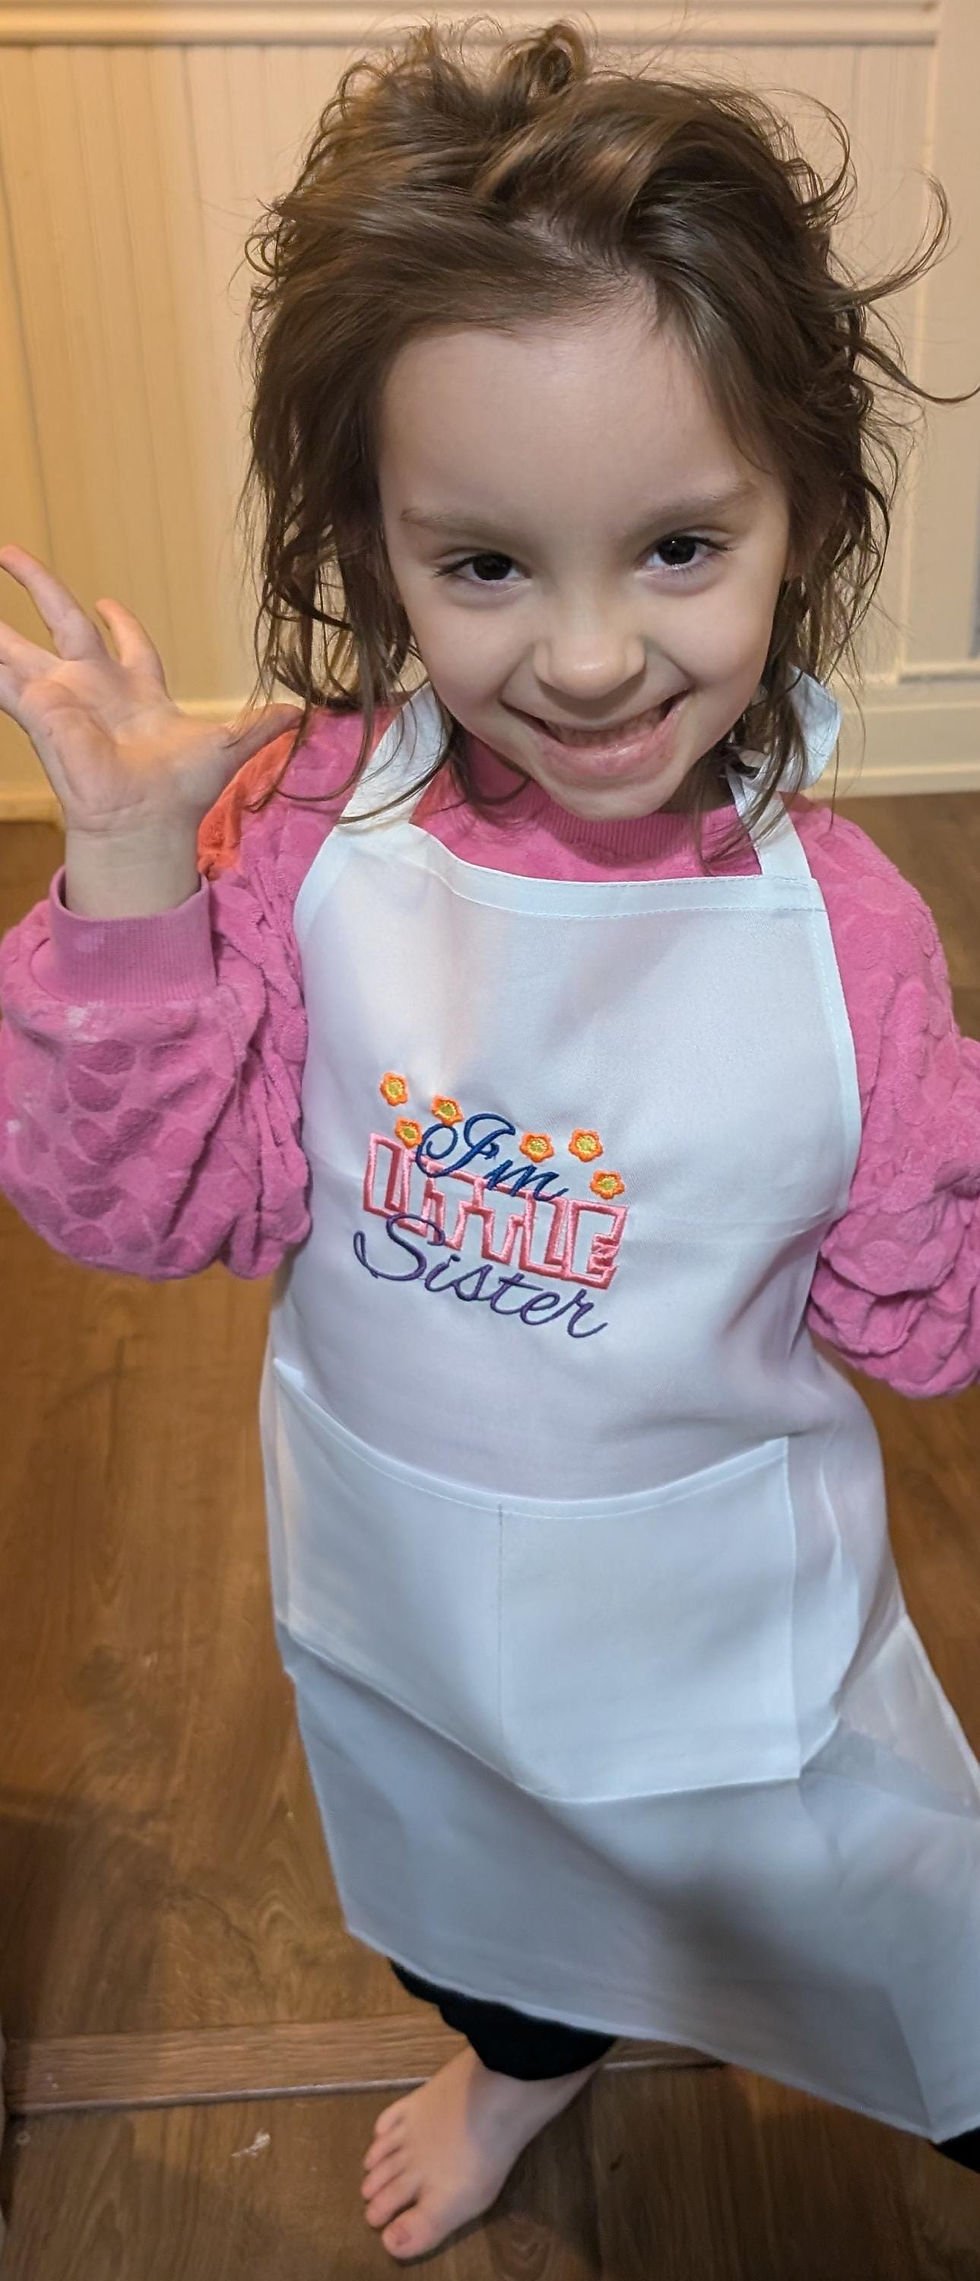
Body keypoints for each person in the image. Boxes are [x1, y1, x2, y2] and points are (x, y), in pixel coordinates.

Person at [1, 14, 980, 2260]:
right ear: (372, 542)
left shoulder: (846, 936)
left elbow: (920, 1328)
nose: (591, 656)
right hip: (405, 1589)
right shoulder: (294, 838)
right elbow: (148, 1204)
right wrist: (136, 877)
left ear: (795, 514)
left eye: (671, 548)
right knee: (473, 1900)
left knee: (893, 1928)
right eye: (484, 568)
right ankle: (521, 2051)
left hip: (718, 1625)